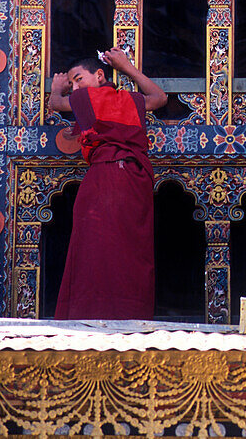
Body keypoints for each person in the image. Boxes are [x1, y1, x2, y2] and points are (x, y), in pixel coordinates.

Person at [48, 47, 167, 320]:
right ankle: (131, 313)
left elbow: (57, 104)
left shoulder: (88, 99)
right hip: (135, 177)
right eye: (72, 83)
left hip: (106, 177)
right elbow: (159, 98)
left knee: (94, 247)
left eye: (79, 79)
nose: (75, 86)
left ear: (100, 75)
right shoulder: (127, 99)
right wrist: (128, 68)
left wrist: (57, 88)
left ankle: (88, 312)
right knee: (129, 250)